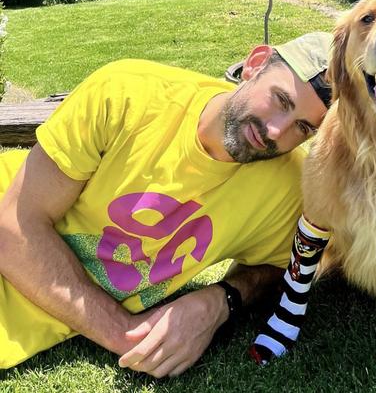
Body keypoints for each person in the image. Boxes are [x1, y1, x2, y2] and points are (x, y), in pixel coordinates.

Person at [0, 32, 333, 378]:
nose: (277, 131)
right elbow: (13, 226)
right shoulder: (126, 94)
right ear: (255, 63)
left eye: (303, 127)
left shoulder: (287, 190)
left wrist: (220, 301)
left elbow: (291, 267)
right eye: (281, 100)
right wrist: (124, 333)